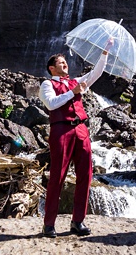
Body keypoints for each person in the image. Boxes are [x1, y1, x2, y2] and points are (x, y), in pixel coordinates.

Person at [39, 39, 113, 238]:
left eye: (66, 63)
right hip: (61, 131)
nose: (66, 65)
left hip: (81, 130)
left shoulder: (75, 82)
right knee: (58, 176)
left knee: (86, 175)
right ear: (52, 68)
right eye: (61, 63)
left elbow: (95, 74)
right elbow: (51, 104)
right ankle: (49, 224)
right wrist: (73, 93)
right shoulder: (47, 84)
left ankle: (78, 221)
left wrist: (105, 52)